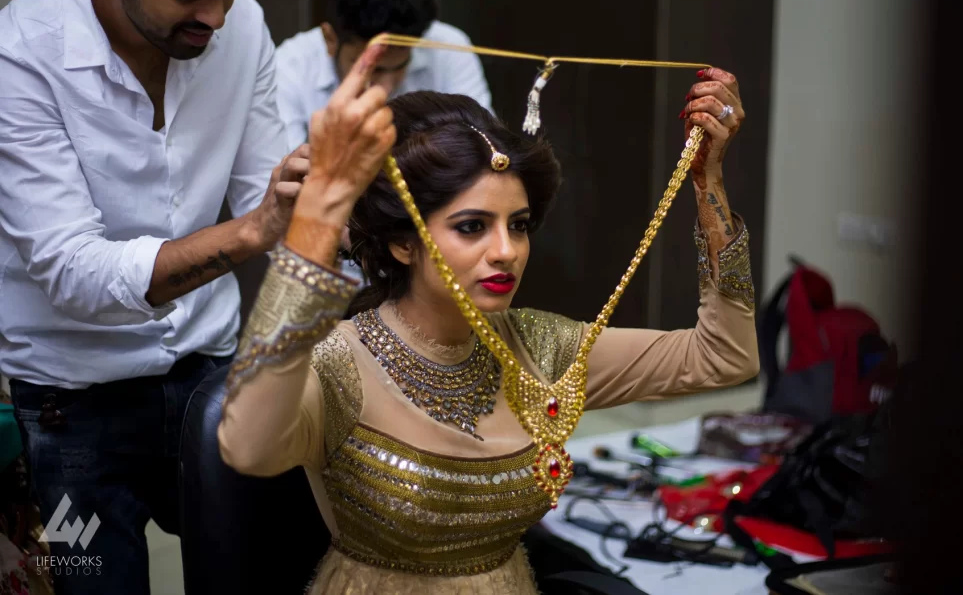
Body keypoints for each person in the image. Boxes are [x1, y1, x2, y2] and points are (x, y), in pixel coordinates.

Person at [217, 43, 758, 593]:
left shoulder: (540, 349)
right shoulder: (337, 361)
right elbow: (248, 448)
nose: (507, 251)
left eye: (518, 225)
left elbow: (725, 358)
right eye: (473, 227)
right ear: (404, 244)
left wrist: (707, 182)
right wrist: (312, 228)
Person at [0, 0, 305, 591]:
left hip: (212, 368)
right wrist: (252, 231)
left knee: (256, 575)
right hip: (71, 402)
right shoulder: (21, 51)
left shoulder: (243, 25)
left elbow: (269, 192)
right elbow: (74, 272)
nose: (217, 16)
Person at [274, 0, 493, 151]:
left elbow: (482, 142)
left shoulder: (448, 47)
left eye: (399, 66)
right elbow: (285, 169)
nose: (385, 89)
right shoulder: (290, 67)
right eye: (373, 69)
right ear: (330, 39)